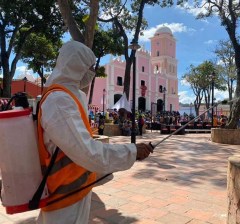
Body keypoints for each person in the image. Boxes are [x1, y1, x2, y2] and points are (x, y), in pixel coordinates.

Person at [37, 41, 153, 224]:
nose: (92, 72)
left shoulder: (69, 97)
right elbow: (86, 151)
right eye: (89, 67)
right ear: (76, 65)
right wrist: (131, 152)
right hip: (63, 195)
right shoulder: (59, 100)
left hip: (74, 188)